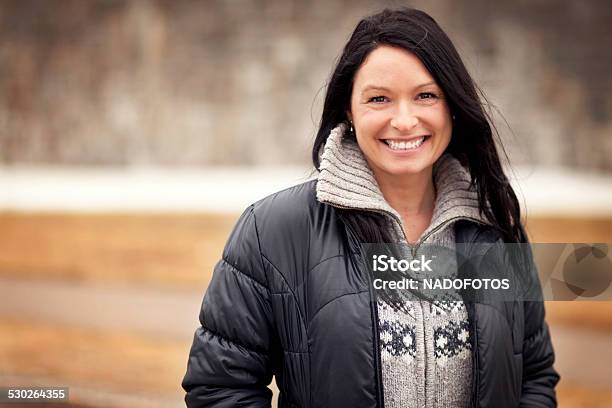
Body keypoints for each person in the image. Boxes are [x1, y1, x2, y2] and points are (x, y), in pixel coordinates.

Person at [182, 7, 559, 408]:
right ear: (349, 109)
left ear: (452, 104)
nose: (404, 120)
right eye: (379, 98)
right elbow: (220, 389)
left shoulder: (495, 227)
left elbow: (533, 376)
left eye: (425, 95)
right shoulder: (272, 230)